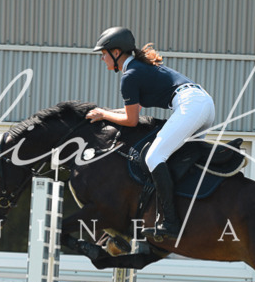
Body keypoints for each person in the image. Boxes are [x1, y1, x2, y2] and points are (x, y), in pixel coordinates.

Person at [86, 27, 216, 239]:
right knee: (178, 160)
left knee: (154, 156)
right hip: (202, 103)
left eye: (103, 54)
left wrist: (104, 115)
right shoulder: (137, 68)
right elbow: (132, 112)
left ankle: (171, 223)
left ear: (116, 53)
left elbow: (131, 120)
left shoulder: (129, 76)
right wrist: (105, 112)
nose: (102, 59)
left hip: (191, 105)